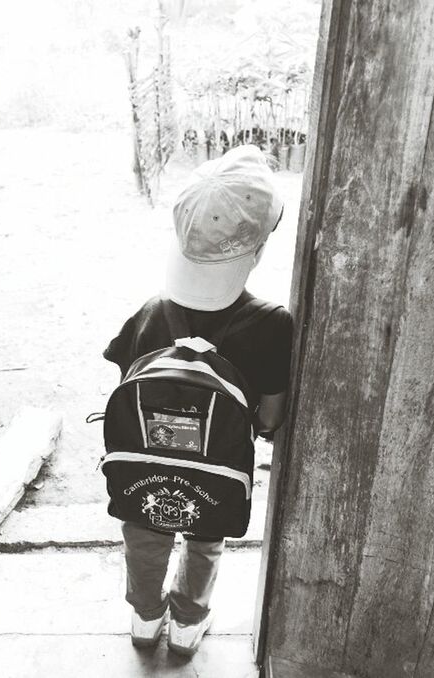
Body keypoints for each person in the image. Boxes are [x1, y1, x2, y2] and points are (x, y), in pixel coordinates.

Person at [103, 145, 294, 656]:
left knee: (145, 537)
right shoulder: (273, 323)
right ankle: (187, 627)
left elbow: (129, 386)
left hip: (143, 471)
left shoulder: (150, 312)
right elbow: (271, 416)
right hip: (215, 475)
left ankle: (145, 620)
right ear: (258, 246)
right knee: (207, 540)